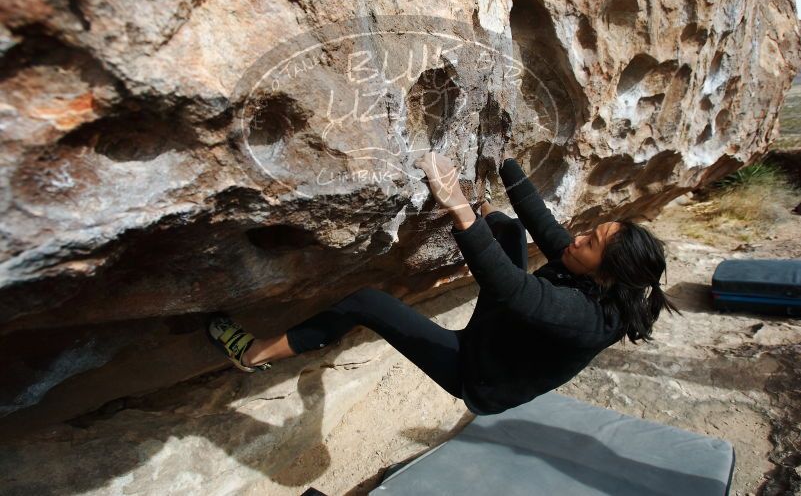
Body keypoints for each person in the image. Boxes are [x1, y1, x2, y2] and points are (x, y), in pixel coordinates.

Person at [207, 152, 680, 415]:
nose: (577, 239)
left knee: (368, 302)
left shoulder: (588, 319)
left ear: (607, 273)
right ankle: (480, 216)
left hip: (479, 373)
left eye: (591, 242)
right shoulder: (594, 268)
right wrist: (506, 162)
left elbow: (512, 291)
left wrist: (459, 208)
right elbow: (544, 226)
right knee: (511, 230)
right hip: (505, 332)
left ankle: (252, 355)